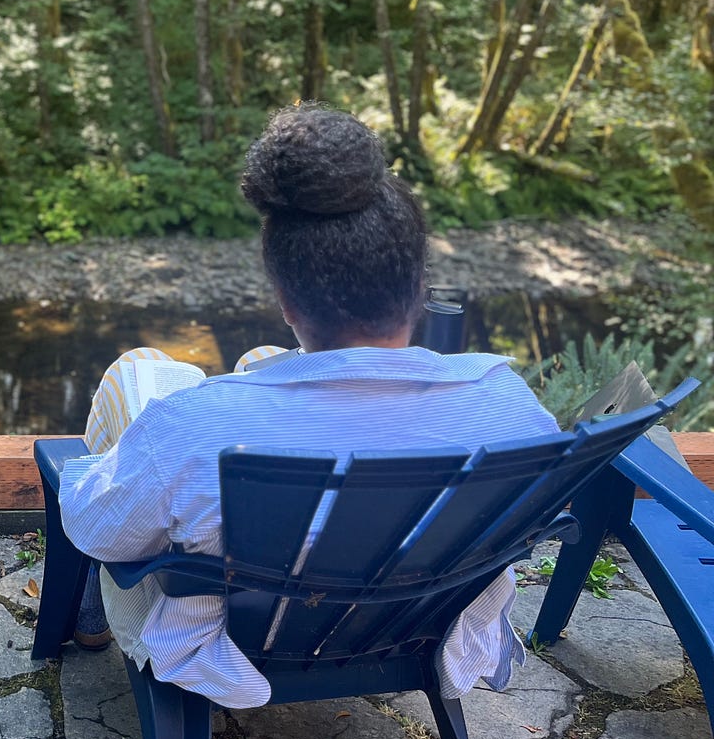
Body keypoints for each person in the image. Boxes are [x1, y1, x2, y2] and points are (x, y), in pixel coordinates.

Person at [58, 104, 558, 707]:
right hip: (407, 627)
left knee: (141, 371)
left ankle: (82, 603)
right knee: (264, 360)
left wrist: (98, 469)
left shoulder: (194, 429)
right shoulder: (512, 408)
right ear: (418, 290)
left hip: (233, 642)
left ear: (287, 299)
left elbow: (97, 528)